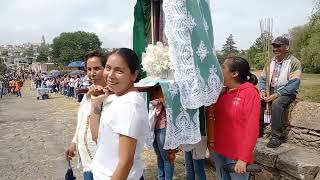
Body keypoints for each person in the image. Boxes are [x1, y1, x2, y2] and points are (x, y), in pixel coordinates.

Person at [89, 48, 149, 180]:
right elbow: (96, 137)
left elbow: (125, 163)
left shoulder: (129, 104)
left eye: (119, 71)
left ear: (134, 75)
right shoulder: (117, 98)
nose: (110, 75)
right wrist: (95, 104)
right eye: (108, 68)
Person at [210, 57, 260, 180]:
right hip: (219, 151)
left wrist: (243, 158)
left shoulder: (250, 93)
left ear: (234, 73)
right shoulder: (222, 92)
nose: (219, 69)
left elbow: (252, 128)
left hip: (236, 155)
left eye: (223, 67)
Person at [65, 50, 108, 180]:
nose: (92, 73)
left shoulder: (109, 96)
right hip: (86, 160)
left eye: (96, 68)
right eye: (89, 69)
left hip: (102, 161)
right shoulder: (87, 94)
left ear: (106, 69)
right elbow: (82, 122)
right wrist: (74, 143)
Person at [258, 36, 302, 148]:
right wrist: (263, 91)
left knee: (277, 104)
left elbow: (294, 84)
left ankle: (276, 136)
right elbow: (262, 79)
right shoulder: (270, 62)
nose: (275, 48)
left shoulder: (294, 62)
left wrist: (277, 94)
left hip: (287, 92)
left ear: (286, 47)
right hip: (270, 90)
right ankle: (257, 129)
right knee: (256, 101)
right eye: (274, 46)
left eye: (279, 46)